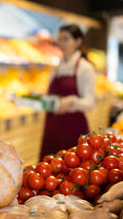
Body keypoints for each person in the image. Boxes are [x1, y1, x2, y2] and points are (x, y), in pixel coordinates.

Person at [40, 24, 96, 160]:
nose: (61, 43)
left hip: (73, 129)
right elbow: (47, 97)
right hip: (52, 129)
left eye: (66, 39)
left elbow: (90, 103)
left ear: (78, 41)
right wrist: (36, 100)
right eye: (60, 39)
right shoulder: (55, 68)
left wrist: (71, 101)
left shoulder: (85, 68)